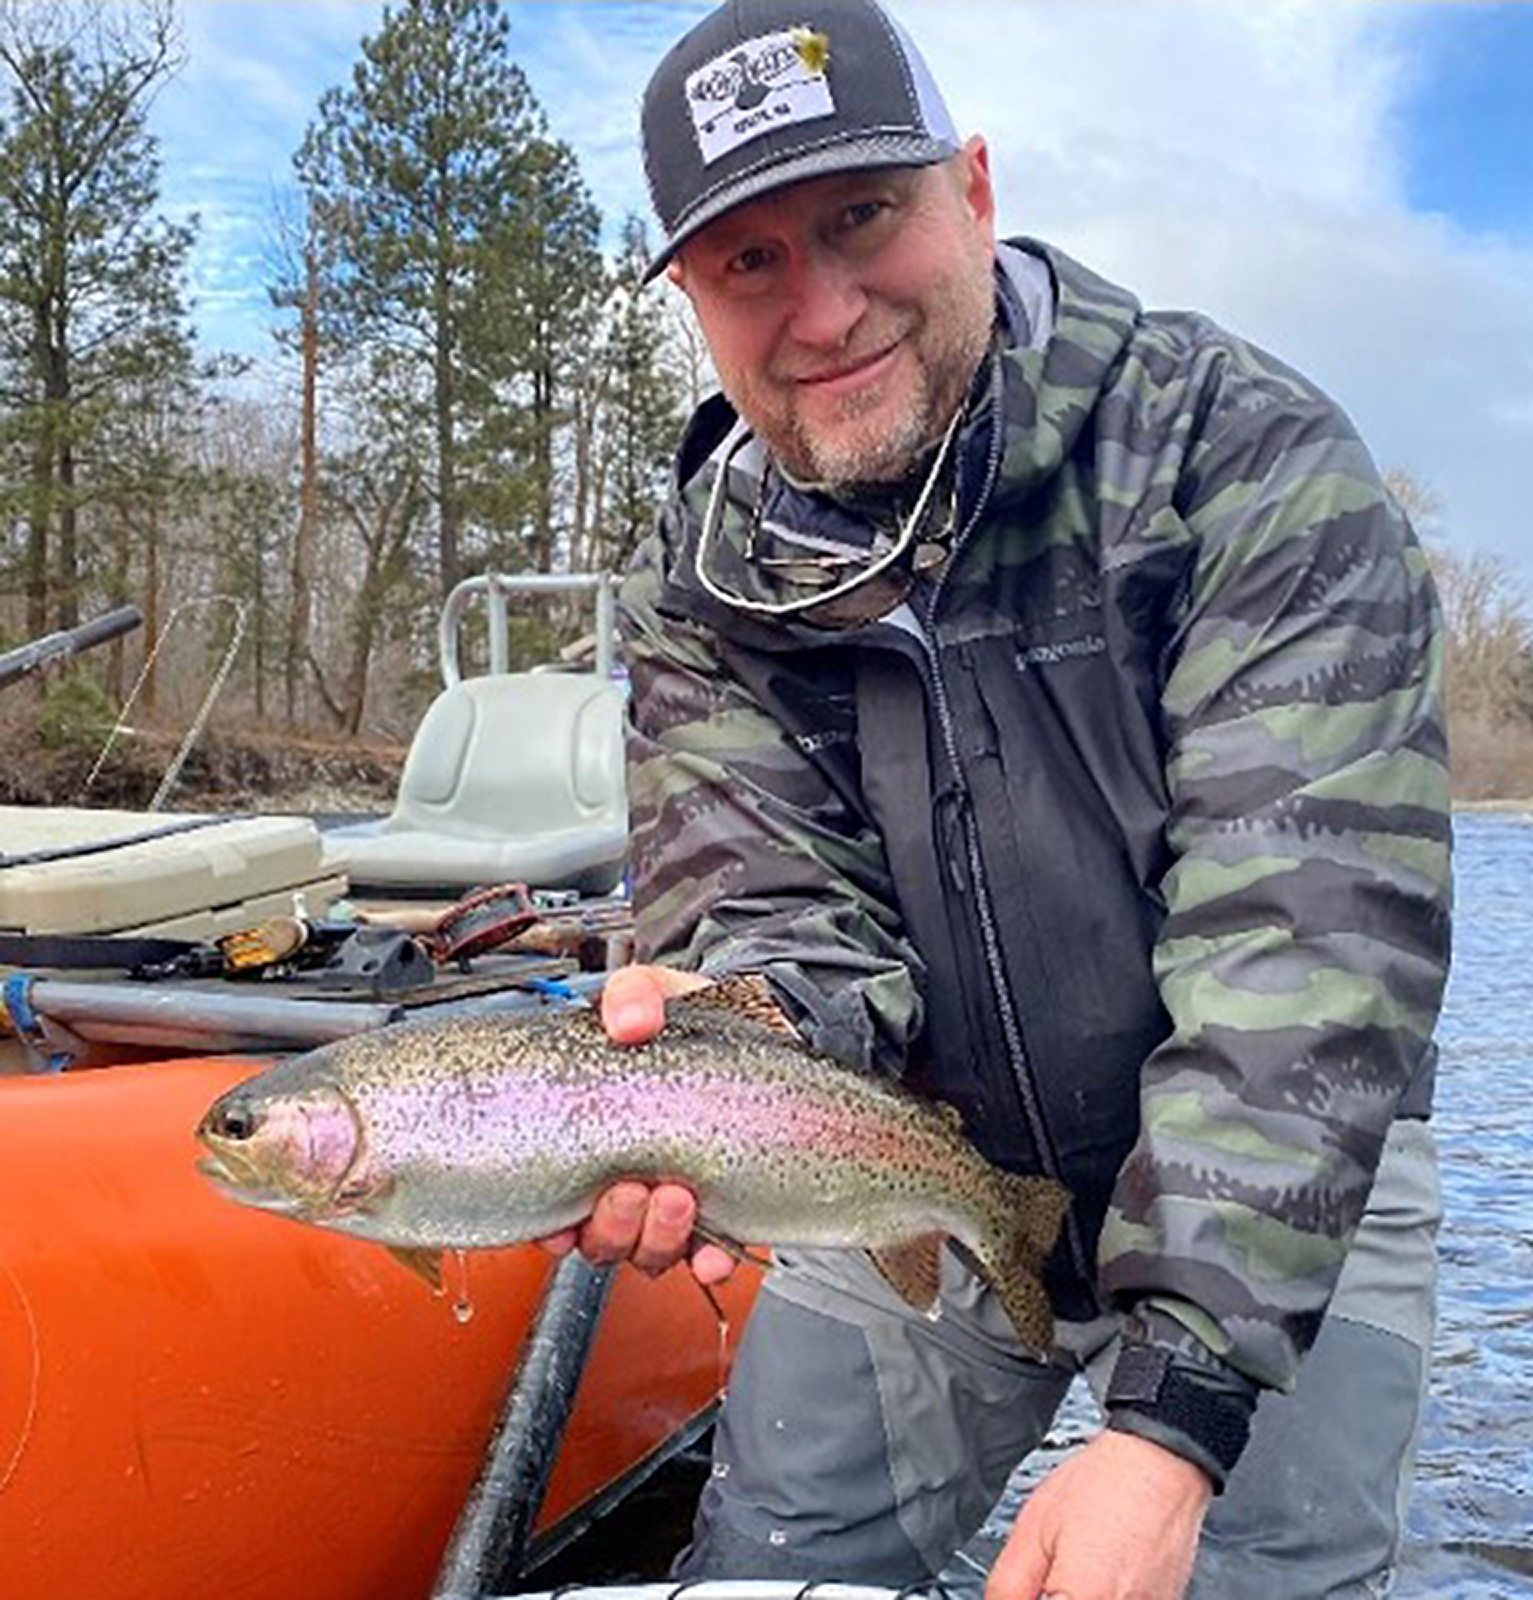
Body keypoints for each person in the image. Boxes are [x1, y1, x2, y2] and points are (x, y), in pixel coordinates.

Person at [537, 2, 1452, 1596]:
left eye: (858, 217)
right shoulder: (703, 597)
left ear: (971, 189)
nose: (820, 309)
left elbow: (1305, 951)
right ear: (693, 300)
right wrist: (733, 1042)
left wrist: (1171, 1423)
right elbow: (779, 921)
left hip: (1285, 1156)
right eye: (749, 263)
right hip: (908, 1147)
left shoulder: (1240, 458)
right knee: (771, 1561)